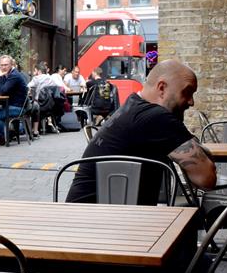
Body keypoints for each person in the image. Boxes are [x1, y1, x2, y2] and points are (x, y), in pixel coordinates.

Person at [67, 60, 216, 205]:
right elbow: (206, 179)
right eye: (187, 92)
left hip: (87, 216)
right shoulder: (156, 117)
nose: (191, 102)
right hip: (100, 223)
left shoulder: (134, 104)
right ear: (162, 88)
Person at [0, 55, 28, 144]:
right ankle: (4, 134)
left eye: (6, 65)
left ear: (11, 65)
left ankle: (9, 133)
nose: (3, 67)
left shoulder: (14, 76)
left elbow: (3, 91)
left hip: (17, 107)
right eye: (1, 65)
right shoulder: (9, 74)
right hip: (10, 105)